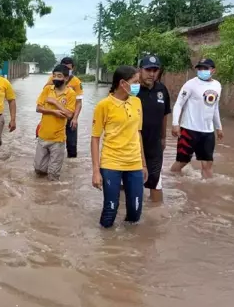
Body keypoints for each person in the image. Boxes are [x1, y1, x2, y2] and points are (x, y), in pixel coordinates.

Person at [91, 66, 148, 228]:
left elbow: (138, 133)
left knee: (135, 212)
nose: (138, 85)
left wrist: (143, 163)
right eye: (135, 82)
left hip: (134, 162)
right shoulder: (104, 105)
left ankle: (130, 249)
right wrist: (96, 171)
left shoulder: (137, 102)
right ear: (123, 83)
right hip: (111, 163)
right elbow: (95, 138)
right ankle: (105, 247)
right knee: (111, 208)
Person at [170, 58, 223, 179]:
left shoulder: (217, 86)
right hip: (189, 130)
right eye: (200, 68)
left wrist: (218, 127)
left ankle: (207, 192)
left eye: (205, 68)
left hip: (208, 132)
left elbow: (215, 107)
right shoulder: (190, 84)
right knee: (182, 162)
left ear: (213, 70)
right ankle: (170, 179)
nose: (202, 71)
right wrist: (175, 123)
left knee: (207, 164)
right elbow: (179, 104)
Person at [34, 64, 77, 180]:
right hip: (43, 136)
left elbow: (69, 114)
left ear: (66, 78)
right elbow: (38, 108)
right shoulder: (47, 89)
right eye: (54, 76)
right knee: (39, 170)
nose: (56, 78)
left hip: (58, 139)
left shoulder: (71, 94)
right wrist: (54, 112)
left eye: (59, 76)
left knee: (53, 175)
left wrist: (55, 102)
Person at [137, 55, 171, 202]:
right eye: (148, 70)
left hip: (154, 144)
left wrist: (163, 137)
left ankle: (157, 218)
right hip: (132, 145)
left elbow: (164, 114)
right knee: (128, 184)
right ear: (140, 70)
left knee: (156, 182)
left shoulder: (162, 90)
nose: (152, 74)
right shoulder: (132, 90)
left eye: (155, 70)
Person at [45, 57, 83, 158]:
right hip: (55, 116)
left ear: (73, 69)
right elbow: (45, 96)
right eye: (64, 68)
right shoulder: (53, 78)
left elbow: (79, 102)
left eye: (69, 69)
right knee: (50, 144)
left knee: (72, 145)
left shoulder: (76, 82)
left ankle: (70, 167)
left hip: (69, 117)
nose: (66, 70)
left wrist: (75, 118)